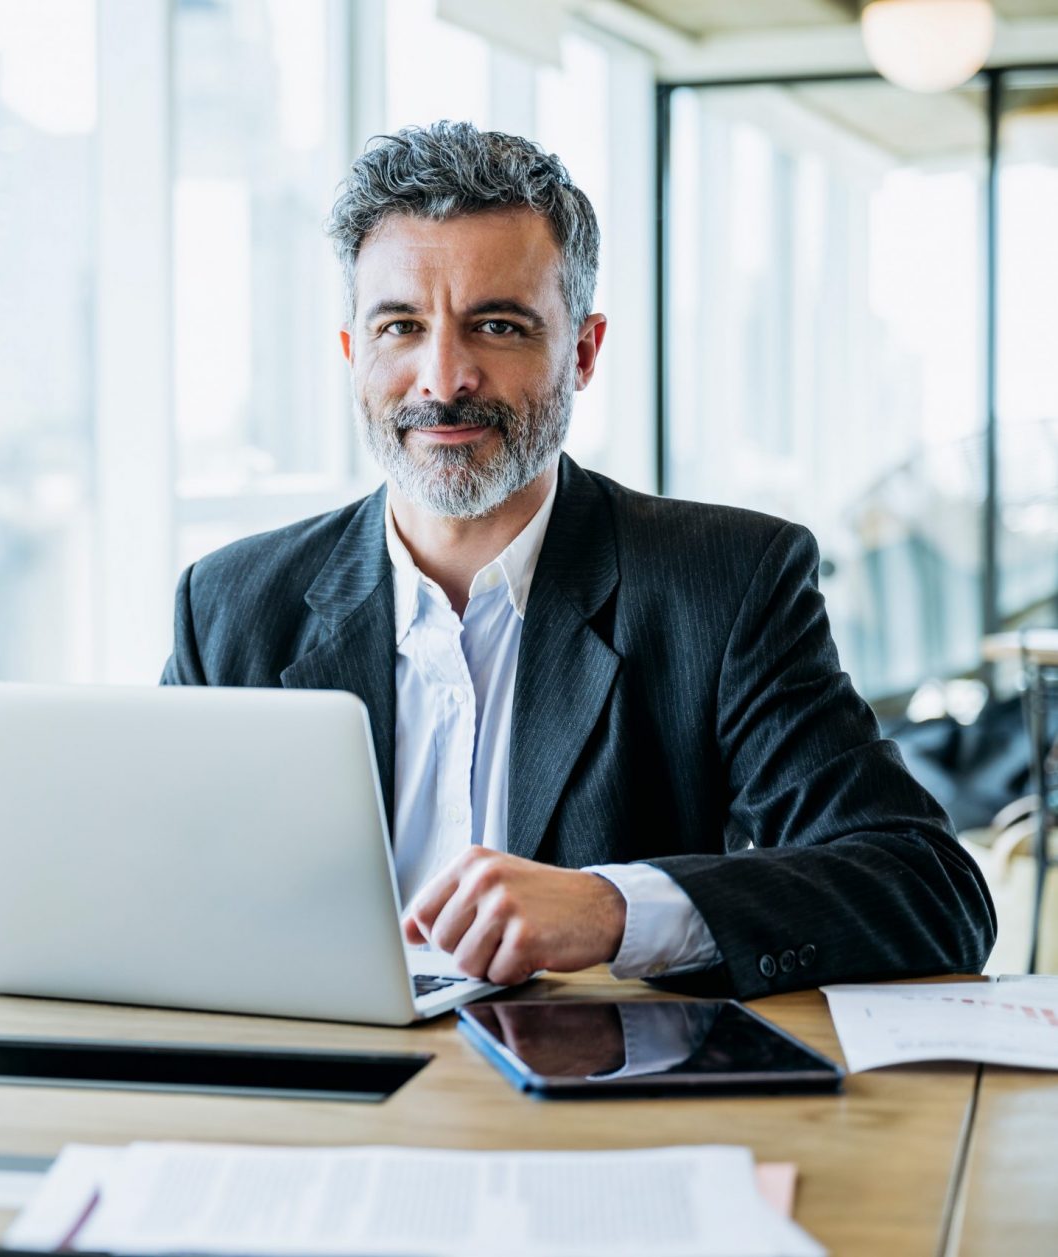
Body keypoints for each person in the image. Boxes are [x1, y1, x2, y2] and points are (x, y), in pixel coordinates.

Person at [161, 121, 994, 1000]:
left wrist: (615, 908)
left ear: (584, 352)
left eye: (498, 326)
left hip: (587, 1109)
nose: (444, 379)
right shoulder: (230, 604)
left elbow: (930, 889)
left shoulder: (727, 582)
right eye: (401, 326)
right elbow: (156, 890)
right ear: (352, 353)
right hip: (304, 1099)